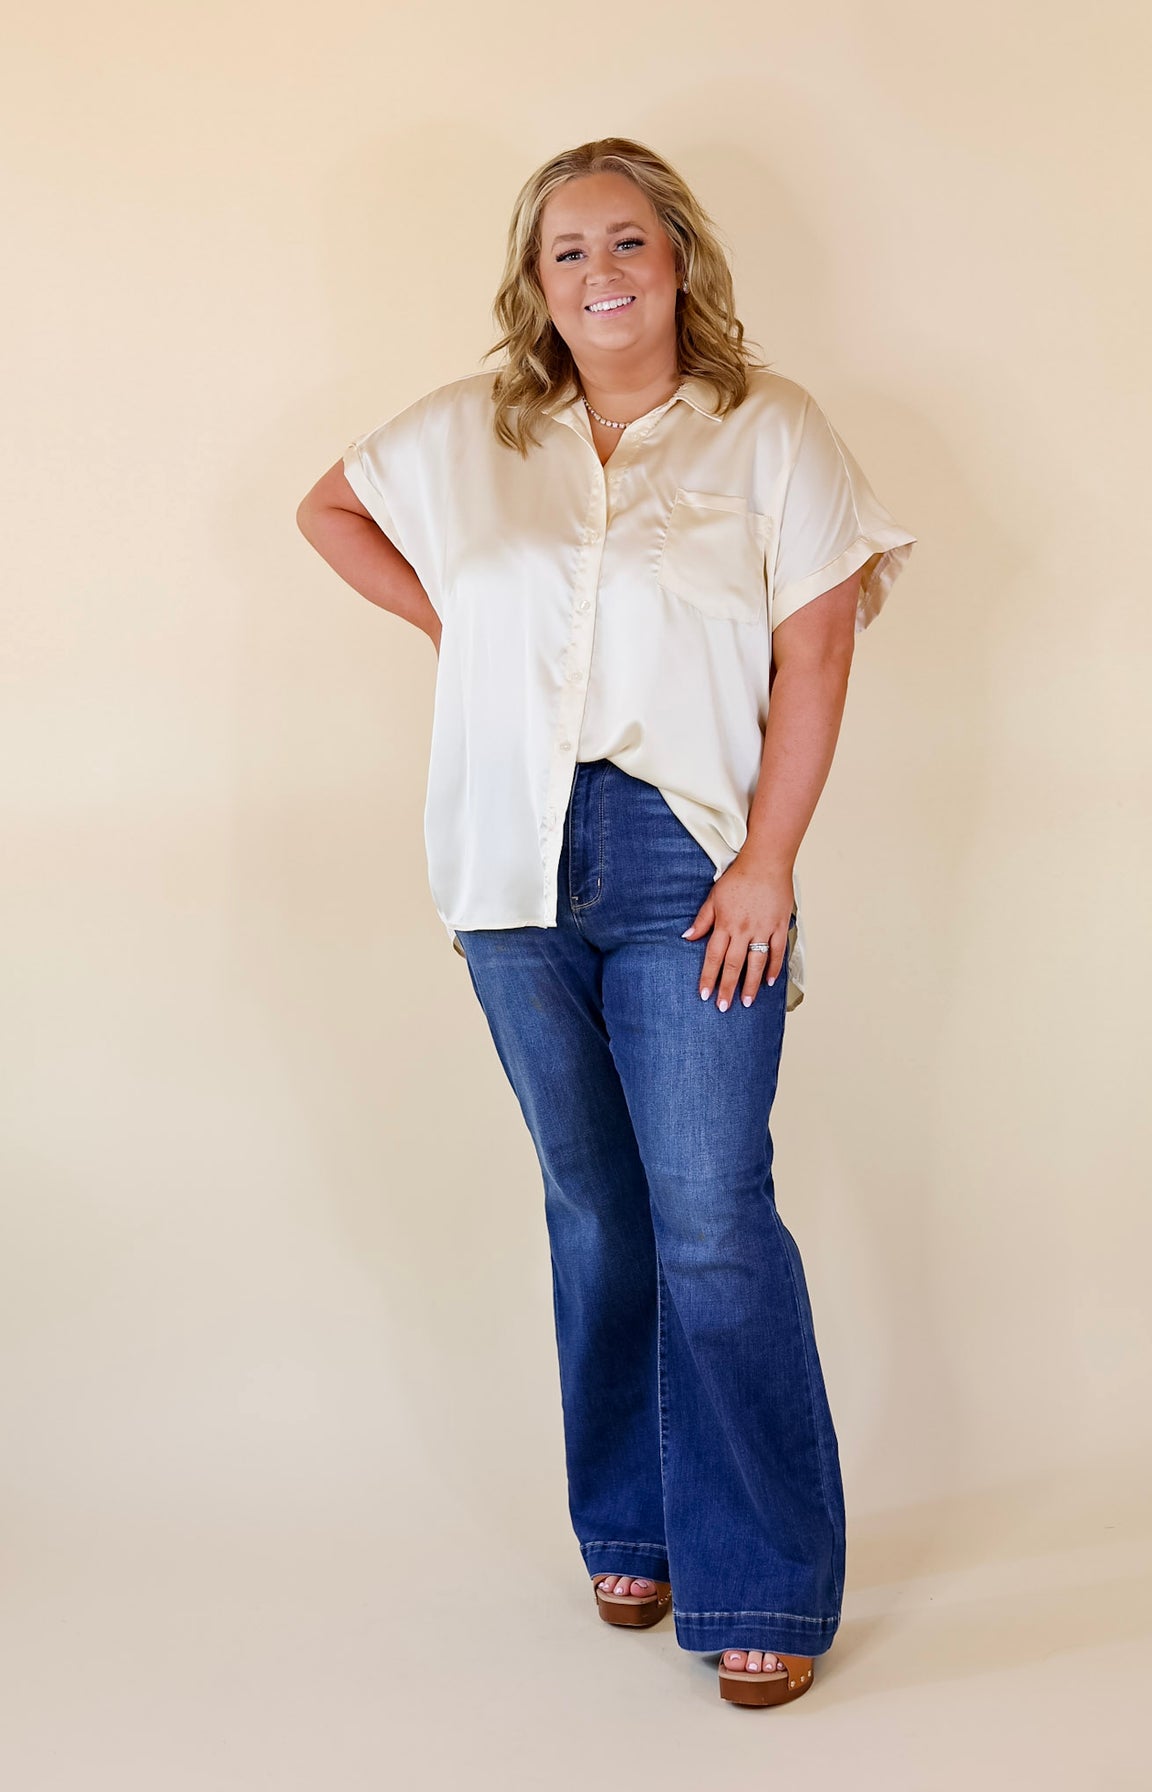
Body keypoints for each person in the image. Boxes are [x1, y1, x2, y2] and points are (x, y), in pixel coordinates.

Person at [297, 136, 917, 1708]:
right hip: (506, 857)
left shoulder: (773, 431)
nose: (601, 273)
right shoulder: (471, 433)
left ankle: (763, 1579)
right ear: (537, 282)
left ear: (681, 258)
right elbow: (330, 509)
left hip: (687, 855)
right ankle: (631, 1524)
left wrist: (770, 861)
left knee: (711, 1211)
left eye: (628, 241)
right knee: (595, 1207)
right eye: (567, 250)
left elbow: (818, 655)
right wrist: (462, 631)